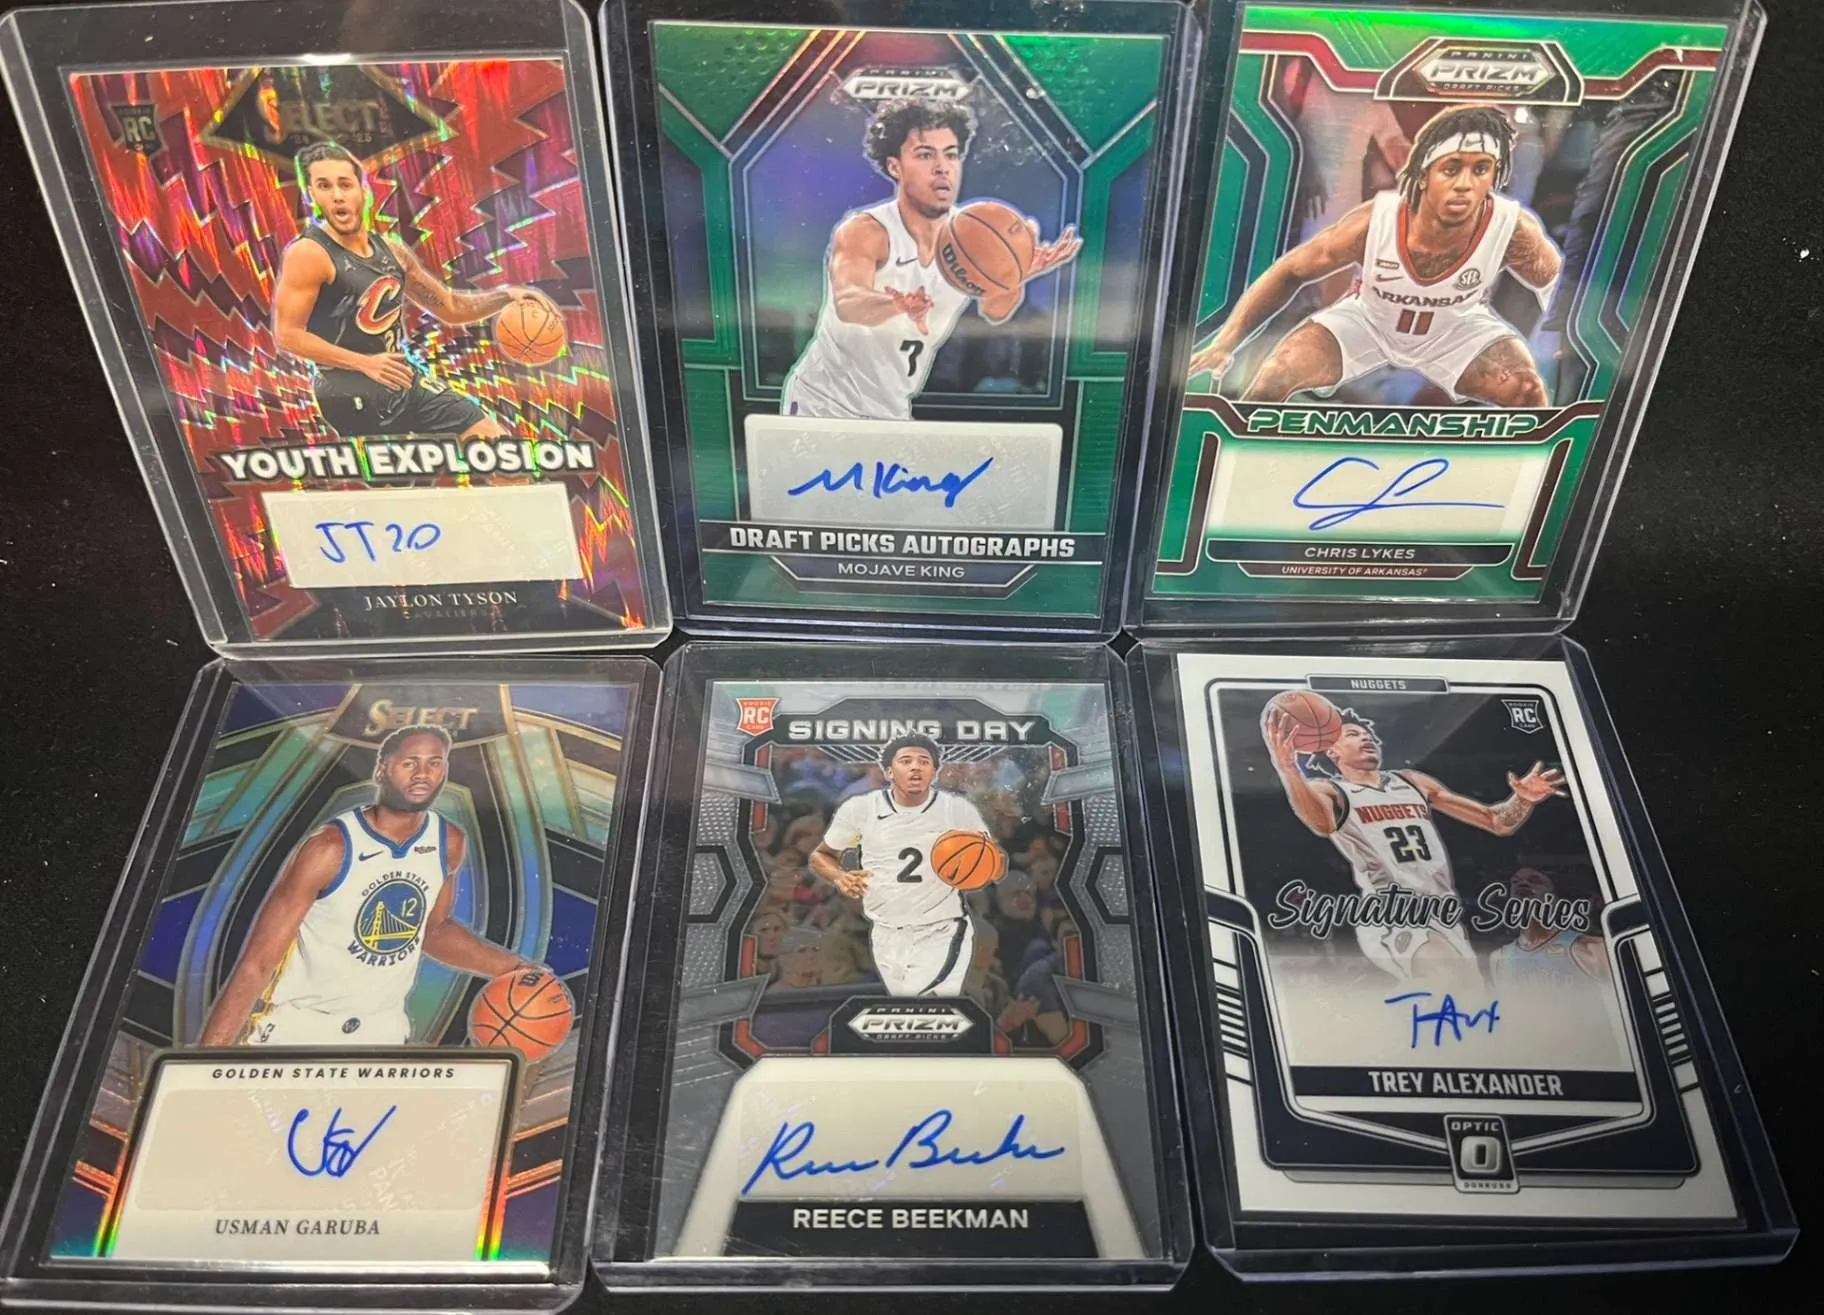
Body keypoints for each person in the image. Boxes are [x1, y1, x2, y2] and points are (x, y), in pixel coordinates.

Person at [1187, 105, 1563, 407]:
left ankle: (1525, 476)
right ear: (1424, 174)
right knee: (1278, 373)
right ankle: (1243, 463)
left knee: (1528, 390)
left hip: (1457, 327)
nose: (1465, 184)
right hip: (1370, 321)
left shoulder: (1512, 228)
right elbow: (1291, 270)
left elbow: (1559, 286)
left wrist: (1562, 347)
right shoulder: (1376, 221)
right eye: (1451, 169)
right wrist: (1226, 343)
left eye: (1481, 169)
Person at [200, 725, 532, 1046]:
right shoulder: (330, 848)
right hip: (299, 1030)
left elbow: (434, 930)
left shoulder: (448, 842)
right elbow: (257, 963)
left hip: (382, 1034)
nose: (422, 774)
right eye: (409, 763)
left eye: (434, 762)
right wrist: (203, 1064)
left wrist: (515, 968)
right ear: (382, 770)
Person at [780, 99, 1080, 420]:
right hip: (823, 402)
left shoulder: (973, 239)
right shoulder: (867, 230)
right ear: (895, 167)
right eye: (925, 155)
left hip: (892, 408)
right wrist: (897, 304)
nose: (942, 167)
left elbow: (995, 311)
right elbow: (848, 301)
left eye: (951, 154)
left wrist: (1013, 276)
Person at [1263, 702, 1565, 984]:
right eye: (1353, 734)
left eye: (1369, 735)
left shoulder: (1412, 781)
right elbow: (1321, 823)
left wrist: (1523, 799)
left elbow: (1497, 821)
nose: (1367, 739)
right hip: (1390, 912)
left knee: (1469, 994)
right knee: (1449, 978)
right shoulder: (1330, 790)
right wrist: (1289, 770)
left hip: (1441, 910)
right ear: (1332, 750)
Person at [272, 141, 554, 438]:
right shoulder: (309, 254)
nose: (337, 196)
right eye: (324, 186)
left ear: (364, 192)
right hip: (347, 392)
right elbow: (288, 335)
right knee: (402, 467)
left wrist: (505, 297)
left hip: (402, 377)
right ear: (312, 195)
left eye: (345, 184)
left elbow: (451, 308)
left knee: (497, 445)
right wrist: (363, 363)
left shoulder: (393, 252)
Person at [809, 734, 1002, 997]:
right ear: (888, 771)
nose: (915, 767)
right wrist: (839, 877)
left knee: (950, 1001)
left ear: (934, 771)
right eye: (906, 761)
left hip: (941, 923)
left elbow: (990, 861)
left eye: (924, 761)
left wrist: (981, 868)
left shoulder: (957, 809)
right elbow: (821, 855)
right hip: (886, 927)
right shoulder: (860, 808)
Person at [1487, 868, 1611, 989]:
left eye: (1535, 880)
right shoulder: (1499, 958)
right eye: (1515, 881)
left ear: (1555, 897)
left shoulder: (1591, 948)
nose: (1523, 884)